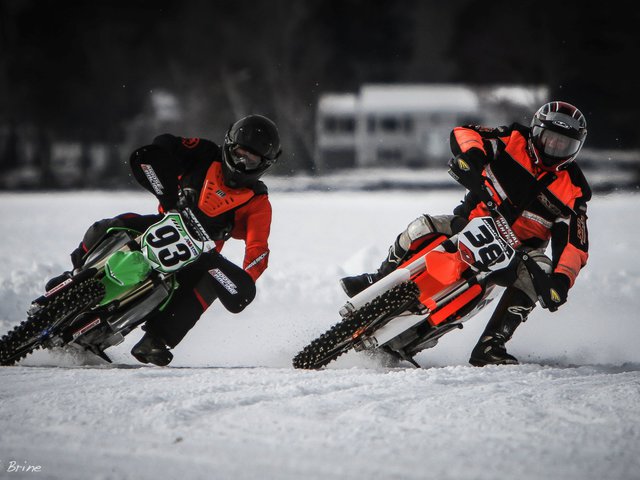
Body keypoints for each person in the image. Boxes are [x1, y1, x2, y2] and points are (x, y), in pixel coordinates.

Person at [340, 101, 590, 367]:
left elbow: (575, 245)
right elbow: (466, 132)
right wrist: (471, 156)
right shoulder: (511, 139)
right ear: (535, 132)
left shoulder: (574, 190)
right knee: (422, 225)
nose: (553, 148)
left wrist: (561, 281)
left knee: (542, 269)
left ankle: (492, 344)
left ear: (576, 148)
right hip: (471, 222)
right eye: (549, 139)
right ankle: (379, 279)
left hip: (517, 252)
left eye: (563, 144)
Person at [47, 114, 281, 366]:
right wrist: (169, 197)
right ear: (228, 146)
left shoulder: (258, 202)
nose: (242, 163)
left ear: (264, 164)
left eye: (251, 159)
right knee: (114, 224)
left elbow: (258, 251)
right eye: (239, 154)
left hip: (198, 256)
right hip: (162, 224)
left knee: (209, 285)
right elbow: (156, 150)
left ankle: (156, 340)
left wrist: (242, 276)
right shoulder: (204, 152)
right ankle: (75, 274)